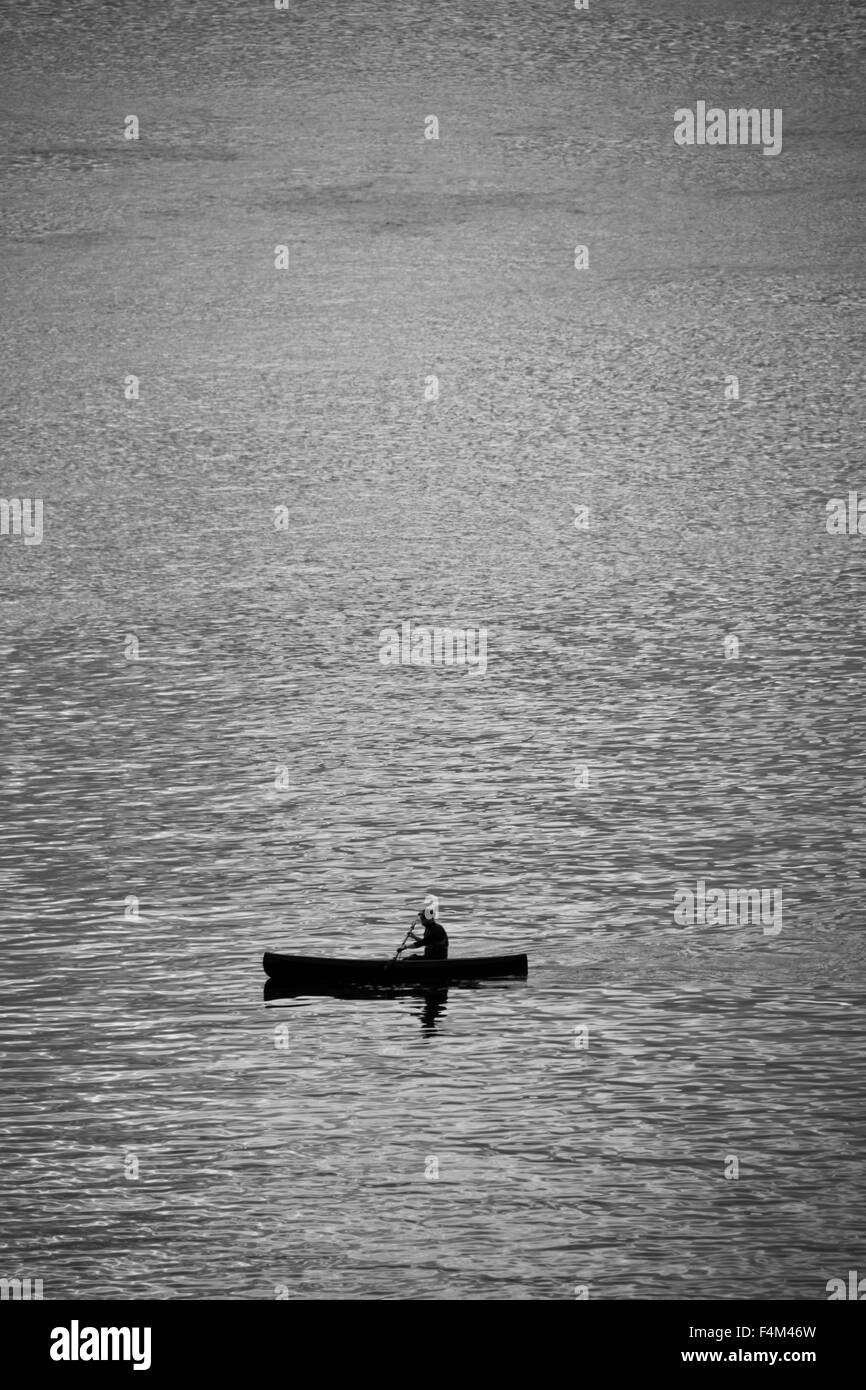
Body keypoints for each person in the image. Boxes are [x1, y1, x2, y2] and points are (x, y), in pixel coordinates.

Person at [403, 894, 449, 960]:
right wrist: (414, 937)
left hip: (437, 959)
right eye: (421, 918)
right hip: (429, 958)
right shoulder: (429, 928)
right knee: (409, 958)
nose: (421, 919)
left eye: (423, 917)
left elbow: (422, 943)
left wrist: (405, 947)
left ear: (430, 918)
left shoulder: (436, 929)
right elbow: (427, 942)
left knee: (411, 959)